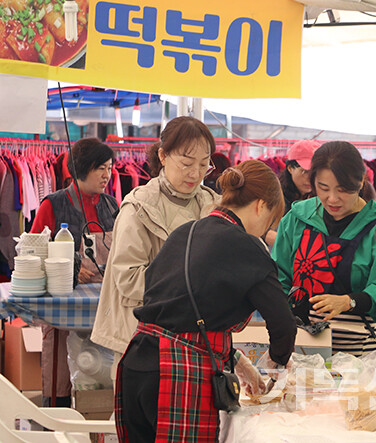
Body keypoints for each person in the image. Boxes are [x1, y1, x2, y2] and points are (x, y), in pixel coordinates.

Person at [116, 160, 297, 441]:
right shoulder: (248, 247)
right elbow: (284, 324)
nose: (264, 230)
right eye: (270, 221)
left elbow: (180, 310)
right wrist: (277, 362)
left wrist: (239, 362)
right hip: (175, 373)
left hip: (136, 363)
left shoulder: (185, 232)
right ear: (261, 205)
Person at [91, 116, 219, 378]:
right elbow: (127, 278)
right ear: (163, 155)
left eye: (204, 165)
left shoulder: (213, 205)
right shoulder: (139, 208)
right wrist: (188, 286)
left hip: (197, 340)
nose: (195, 173)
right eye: (186, 163)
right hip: (142, 341)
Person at [271, 141, 376, 356]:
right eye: (323, 188)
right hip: (299, 347)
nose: (332, 199)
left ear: (361, 182)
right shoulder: (296, 219)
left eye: (343, 190)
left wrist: (348, 301)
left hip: (357, 355)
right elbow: (278, 278)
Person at [31, 137, 117, 407]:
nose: (107, 175)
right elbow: (32, 252)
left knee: (102, 373)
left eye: (109, 167)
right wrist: (68, 268)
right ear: (81, 169)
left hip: (104, 306)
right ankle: (56, 420)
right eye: (100, 168)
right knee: (59, 370)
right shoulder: (53, 205)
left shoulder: (113, 205)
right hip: (63, 306)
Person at [280, 139, 321, 214]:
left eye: (315, 172)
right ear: (290, 168)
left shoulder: (321, 198)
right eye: (305, 171)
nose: (310, 178)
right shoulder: (277, 198)